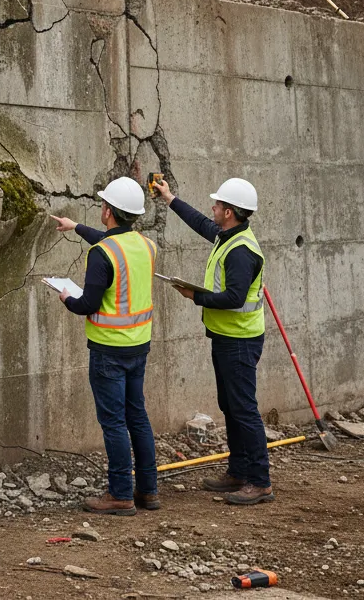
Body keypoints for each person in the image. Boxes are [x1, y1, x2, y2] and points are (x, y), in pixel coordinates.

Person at [154, 176, 273, 505]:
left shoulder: (241, 251)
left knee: (244, 409)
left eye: (218, 205)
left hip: (239, 341)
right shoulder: (228, 236)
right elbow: (200, 222)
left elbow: (234, 298)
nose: (213, 208)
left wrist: (195, 296)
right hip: (227, 337)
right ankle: (238, 471)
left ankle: (260, 481)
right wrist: (169, 198)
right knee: (231, 406)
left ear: (230, 212)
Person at [50, 176, 158, 515]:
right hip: (138, 346)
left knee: (113, 423)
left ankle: (121, 495)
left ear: (108, 211)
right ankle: (148, 491)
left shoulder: (101, 255)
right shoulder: (147, 245)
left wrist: (66, 297)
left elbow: (88, 304)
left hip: (108, 350)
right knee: (137, 417)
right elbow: (114, 243)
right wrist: (76, 227)